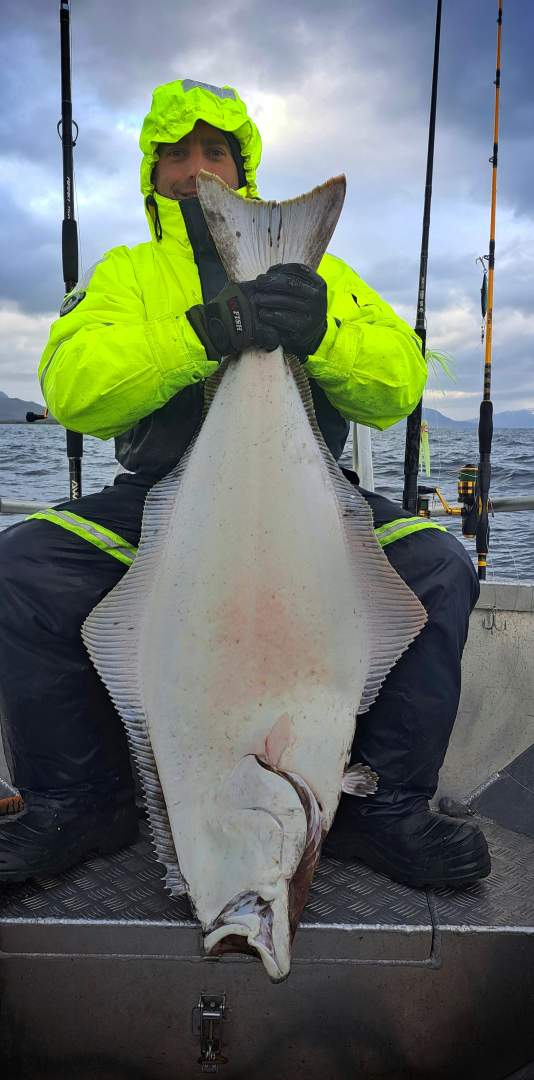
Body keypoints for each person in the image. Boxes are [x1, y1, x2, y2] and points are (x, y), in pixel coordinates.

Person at [0, 79, 490, 889]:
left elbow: (399, 382)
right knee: (22, 568)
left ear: (241, 167)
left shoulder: (320, 271)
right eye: (175, 155)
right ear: (152, 174)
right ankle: (78, 802)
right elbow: (74, 384)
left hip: (310, 503)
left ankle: (384, 809)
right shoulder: (127, 274)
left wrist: (324, 334)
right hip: (156, 502)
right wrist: (205, 331)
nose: (196, 169)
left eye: (214, 151)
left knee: (439, 567)